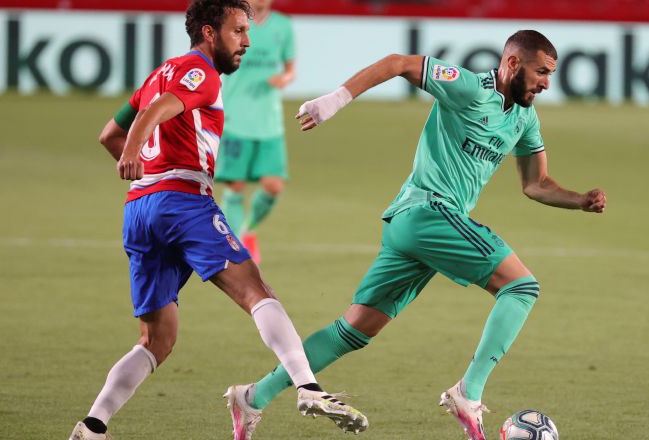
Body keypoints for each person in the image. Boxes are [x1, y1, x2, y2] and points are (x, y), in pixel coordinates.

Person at [225, 30, 607, 440]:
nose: (547, 83)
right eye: (541, 72)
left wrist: (580, 199)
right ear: (512, 63)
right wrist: (333, 100)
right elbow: (398, 64)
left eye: (550, 74)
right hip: (428, 211)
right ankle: (468, 392)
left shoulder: (524, 118)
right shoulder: (468, 88)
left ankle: (253, 397)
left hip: (413, 227)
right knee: (522, 287)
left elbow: (536, 183)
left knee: (352, 331)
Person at [68, 1, 366, 439]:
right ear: (209, 33)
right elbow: (161, 110)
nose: (247, 41)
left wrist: (141, 168)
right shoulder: (199, 71)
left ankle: (93, 427)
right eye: (238, 30)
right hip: (183, 201)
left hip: (140, 208)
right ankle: (308, 387)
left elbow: (107, 134)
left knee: (157, 339)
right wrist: (135, 152)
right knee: (256, 291)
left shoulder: (158, 72)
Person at [214, 0, 296, 264]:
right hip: (235, 118)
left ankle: (249, 231)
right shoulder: (231, 23)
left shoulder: (283, 26)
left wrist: (284, 79)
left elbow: (290, 68)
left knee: (273, 186)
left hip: (269, 121)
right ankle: (235, 245)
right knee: (235, 186)